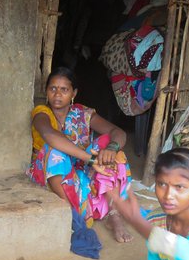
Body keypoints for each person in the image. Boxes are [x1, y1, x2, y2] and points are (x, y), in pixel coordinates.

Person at [28, 67, 133, 244]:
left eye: (64, 89)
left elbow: (118, 133)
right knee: (55, 152)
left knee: (112, 149)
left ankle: (114, 215)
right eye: (53, 88)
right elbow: (49, 135)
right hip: (54, 174)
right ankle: (74, 215)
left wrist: (111, 148)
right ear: (46, 91)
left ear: (73, 93)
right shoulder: (41, 113)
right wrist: (90, 159)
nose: (57, 94)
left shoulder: (83, 113)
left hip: (83, 172)